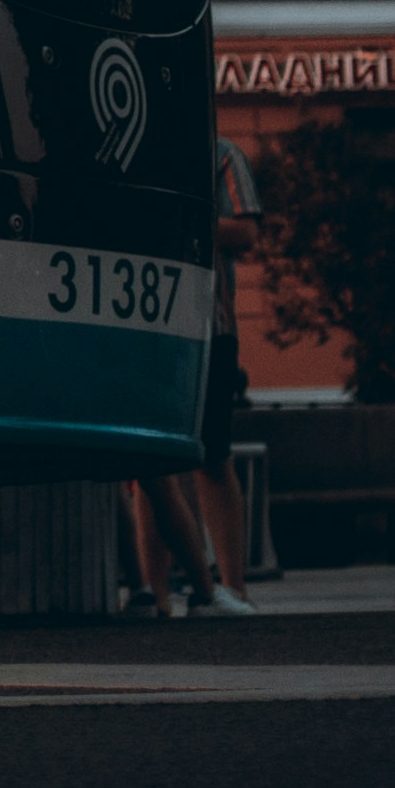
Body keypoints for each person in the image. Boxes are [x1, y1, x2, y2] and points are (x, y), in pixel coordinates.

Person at [120, 135, 262, 617]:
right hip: (151, 327)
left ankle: (233, 589)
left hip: (210, 328)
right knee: (154, 463)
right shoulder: (136, 153)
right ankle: (156, 594)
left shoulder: (221, 155)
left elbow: (245, 233)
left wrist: (179, 218)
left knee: (212, 459)